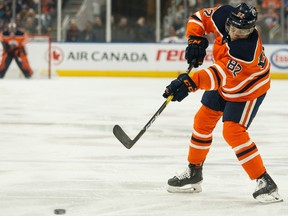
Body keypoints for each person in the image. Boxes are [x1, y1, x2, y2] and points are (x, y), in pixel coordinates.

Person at [162, 3, 283, 203]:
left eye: (242, 31)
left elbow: (217, 75)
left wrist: (188, 83)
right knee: (202, 120)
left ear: (252, 29)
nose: (235, 33)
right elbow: (198, 18)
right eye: (233, 28)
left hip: (248, 89)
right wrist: (195, 40)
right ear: (229, 22)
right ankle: (194, 171)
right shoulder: (223, 15)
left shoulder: (245, 50)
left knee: (233, 131)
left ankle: (265, 182)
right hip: (225, 81)